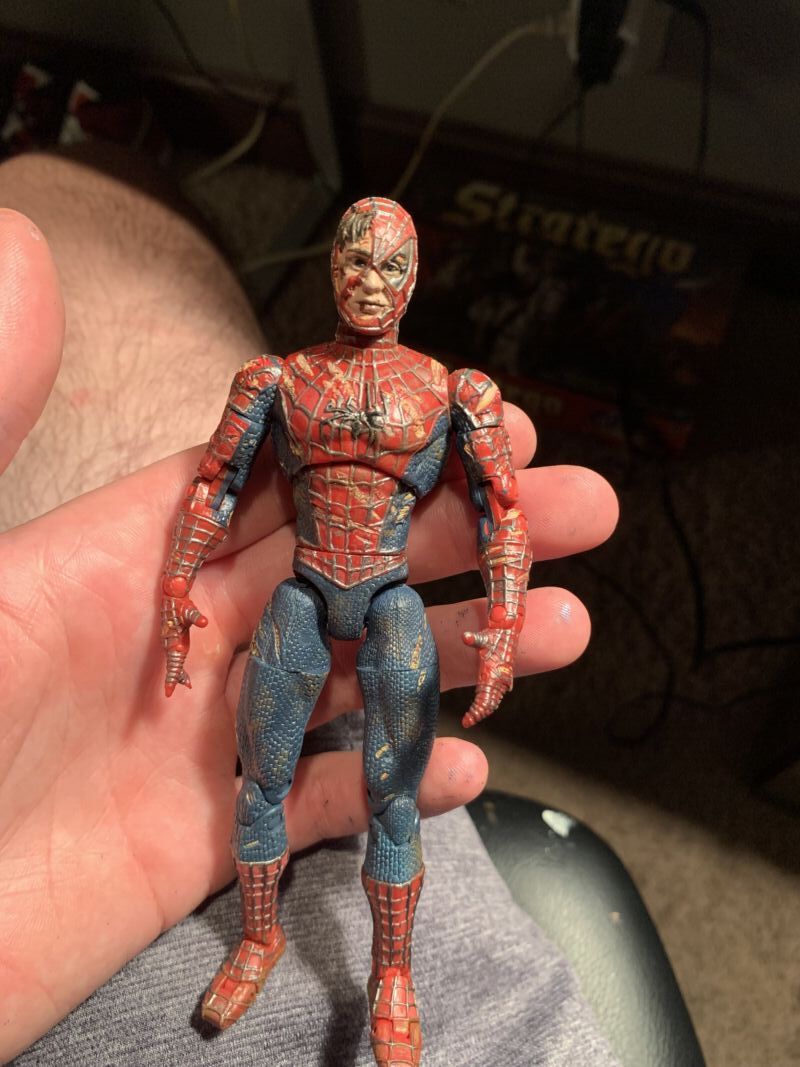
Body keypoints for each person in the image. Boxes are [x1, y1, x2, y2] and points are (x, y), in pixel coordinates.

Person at [0, 149, 619, 1066]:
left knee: (395, 794)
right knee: (261, 780)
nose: (371, 282)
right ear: (333, 267)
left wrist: (500, 626)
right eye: (356, 261)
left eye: (391, 265)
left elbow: (503, 510)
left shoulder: (451, 391)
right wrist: (176, 582)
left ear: (414, 279)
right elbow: (213, 484)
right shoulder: (279, 381)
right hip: (301, 585)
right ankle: (259, 936)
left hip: (392, 595)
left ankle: (393, 973)